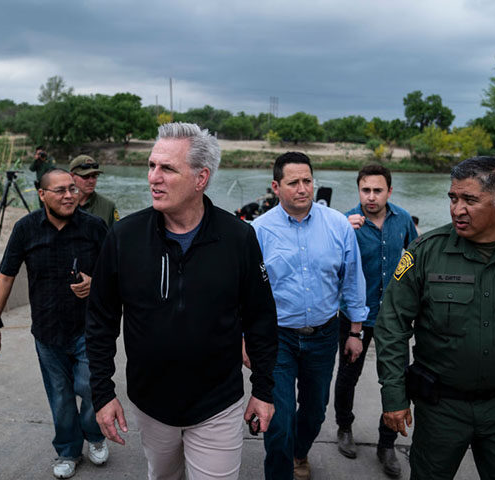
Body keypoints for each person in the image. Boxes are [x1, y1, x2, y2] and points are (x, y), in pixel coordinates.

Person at [86, 122, 278, 480]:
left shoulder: (238, 238)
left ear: (201, 178)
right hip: (151, 405)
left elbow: (261, 318)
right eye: (151, 165)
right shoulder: (123, 237)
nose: (153, 178)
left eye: (167, 168)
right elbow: (100, 321)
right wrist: (102, 393)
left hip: (218, 403)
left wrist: (264, 390)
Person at [375, 156, 495, 479]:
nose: (457, 209)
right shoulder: (425, 251)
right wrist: (394, 395)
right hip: (441, 408)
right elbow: (392, 325)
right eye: (453, 198)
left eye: (470, 200)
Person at [0, 168, 109, 479]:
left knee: (92, 387)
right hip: (47, 330)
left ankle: (94, 434)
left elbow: (116, 274)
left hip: (88, 328)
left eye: (72, 189)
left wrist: (96, 283)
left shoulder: (95, 227)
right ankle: (68, 450)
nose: (69, 195)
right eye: (60, 191)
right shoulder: (26, 228)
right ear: (42, 194)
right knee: (61, 394)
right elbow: (6, 275)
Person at [250, 152, 368, 480]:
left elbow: (353, 280)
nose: (303, 189)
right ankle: (279, 472)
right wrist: (244, 339)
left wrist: (355, 332)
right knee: (279, 418)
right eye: (294, 183)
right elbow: (245, 292)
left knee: (315, 412)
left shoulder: (338, 226)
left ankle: (299, 453)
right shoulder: (258, 231)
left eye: (307, 181)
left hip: (325, 334)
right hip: (277, 338)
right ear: (276, 187)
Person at [334, 164, 417, 478]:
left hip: (393, 318)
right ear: (358, 190)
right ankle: (344, 427)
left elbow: (415, 258)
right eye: (365, 190)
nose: (371, 196)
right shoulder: (344, 222)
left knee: (395, 381)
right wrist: (341, 229)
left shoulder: (404, 220)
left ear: (389, 192)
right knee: (348, 376)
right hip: (354, 316)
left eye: (377, 190)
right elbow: (330, 265)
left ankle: (387, 444)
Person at [69, 155, 119, 227]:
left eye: (94, 176)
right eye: (85, 176)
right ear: (72, 176)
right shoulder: (63, 203)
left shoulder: (108, 206)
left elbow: (117, 234)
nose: (91, 181)